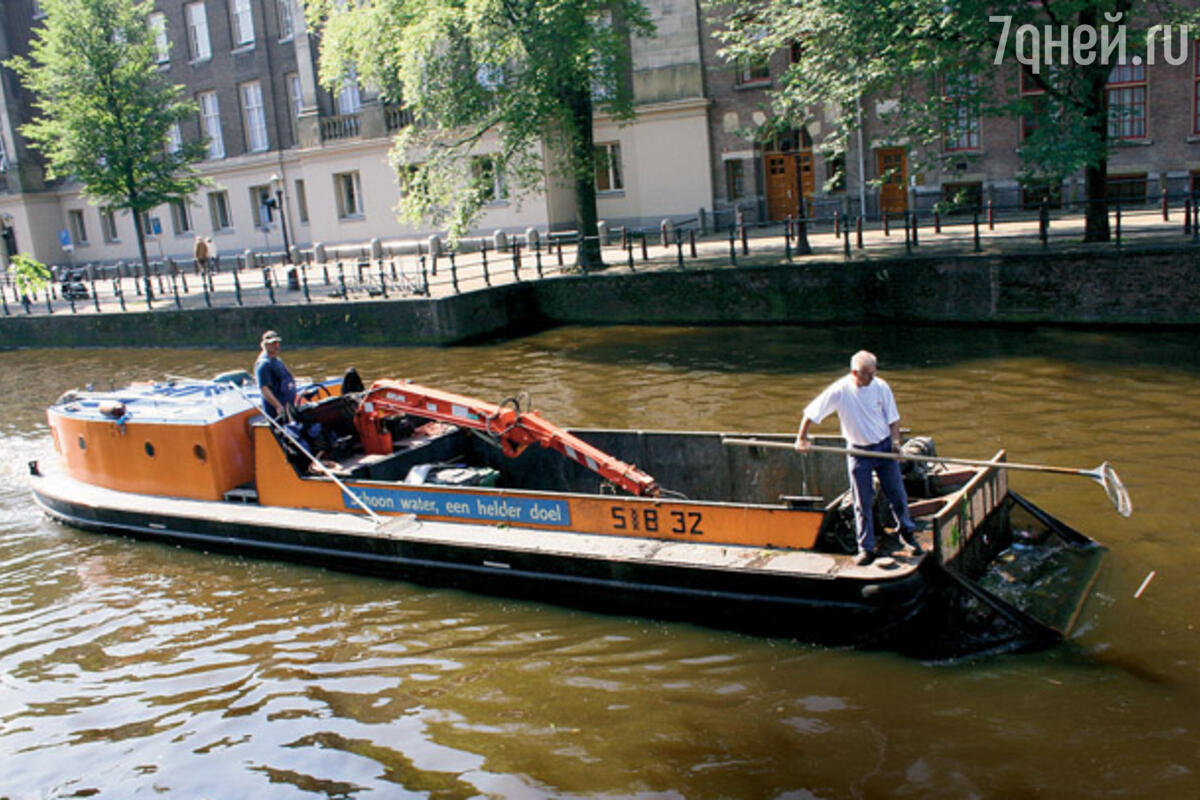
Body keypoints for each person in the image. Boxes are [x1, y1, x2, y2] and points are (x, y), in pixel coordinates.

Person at [795, 350, 921, 566]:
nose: (872, 378)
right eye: (868, 374)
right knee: (861, 501)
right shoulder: (840, 390)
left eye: (874, 372)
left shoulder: (881, 386)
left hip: (883, 449)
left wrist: (896, 443)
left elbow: (894, 419)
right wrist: (801, 438)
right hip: (858, 451)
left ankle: (907, 534)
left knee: (897, 494)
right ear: (855, 373)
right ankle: (866, 547)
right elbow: (811, 413)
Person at [254, 330, 296, 421]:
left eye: (277, 343)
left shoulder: (277, 360)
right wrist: (278, 406)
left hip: (288, 406)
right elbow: (264, 389)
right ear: (265, 345)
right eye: (273, 343)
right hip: (276, 412)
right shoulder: (263, 364)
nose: (276, 346)